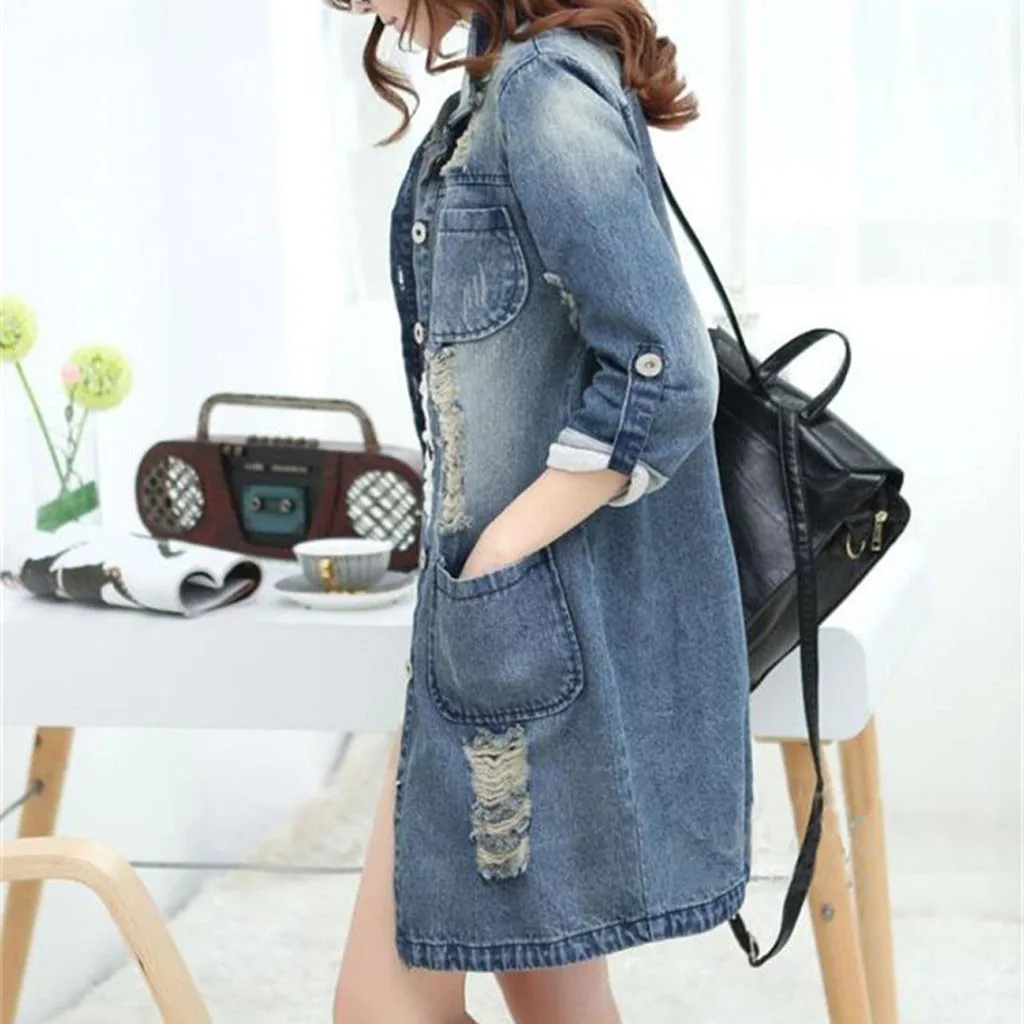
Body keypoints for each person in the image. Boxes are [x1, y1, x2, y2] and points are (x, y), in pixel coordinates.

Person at [327, 3, 753, 1021]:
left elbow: (666, 372)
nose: (355, 7)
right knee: (555, 1002)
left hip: (527, 624)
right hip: (505, 629)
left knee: (386, 1009)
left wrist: (498, 555)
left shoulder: (542, 91)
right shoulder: (496, 89)